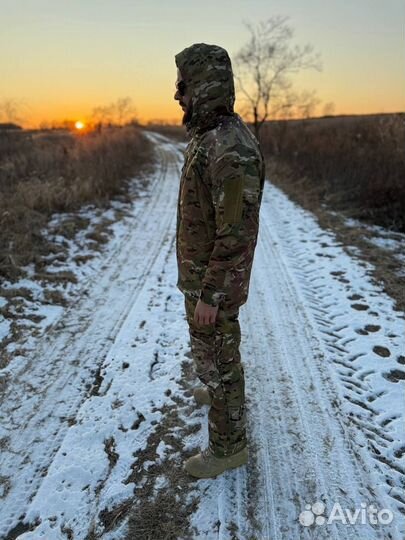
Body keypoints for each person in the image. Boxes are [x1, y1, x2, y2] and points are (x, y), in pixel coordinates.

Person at [174, 43, 265, 478]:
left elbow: (236, 234)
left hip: (214, 286)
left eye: (185, 86)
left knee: (224, 361)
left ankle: (229, 447)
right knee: (213, 354)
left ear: (206, 87)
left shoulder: (230, 147)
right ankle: (216, 390)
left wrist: (211, 293)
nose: (178, 95)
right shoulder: (209, 136)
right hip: (201, 280)